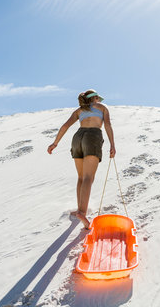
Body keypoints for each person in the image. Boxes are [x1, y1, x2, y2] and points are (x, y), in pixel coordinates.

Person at [47, 89, 116, 229]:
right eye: (98, 99)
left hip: (78, 138)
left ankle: (80, 209)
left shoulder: (79, 111)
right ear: (95, 98)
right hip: (93, 136)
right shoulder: (102, 108)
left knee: (80, 177)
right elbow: (107, 125)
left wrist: (55, 143)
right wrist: (112, 144)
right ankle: (82, 212)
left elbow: (65, 126)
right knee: (88, 178)